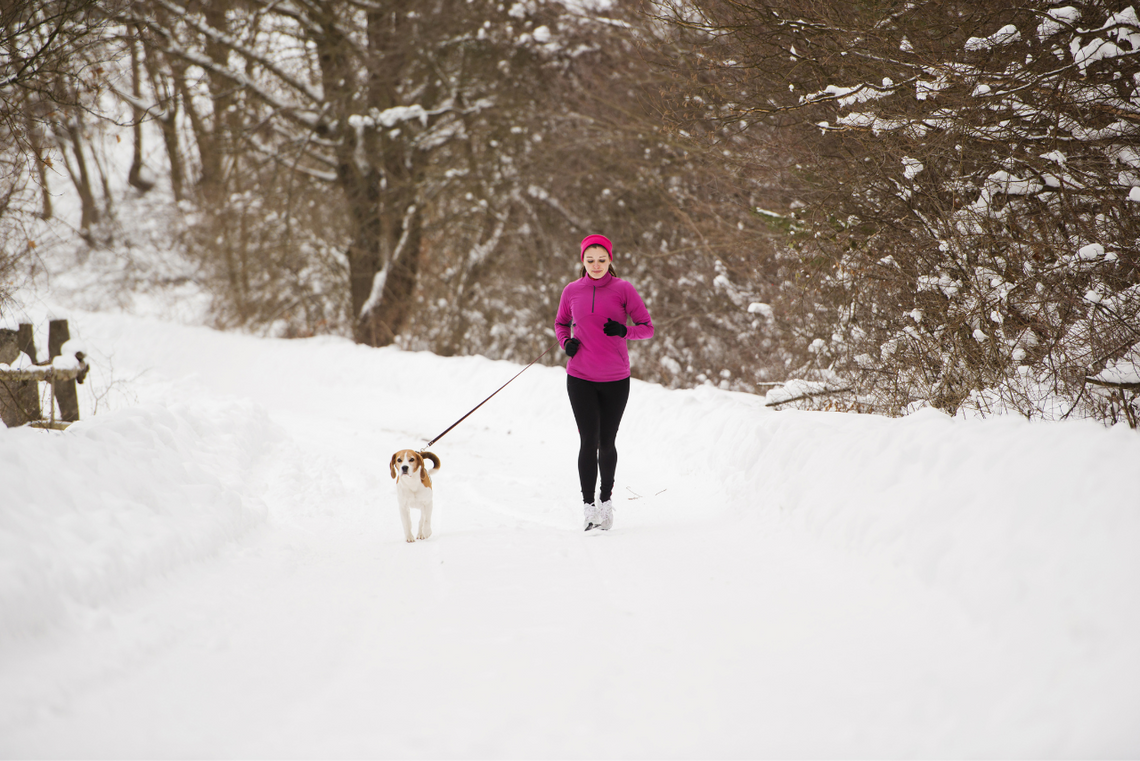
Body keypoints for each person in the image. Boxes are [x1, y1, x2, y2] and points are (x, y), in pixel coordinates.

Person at [554, 233, 654, 531]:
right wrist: (566, 343)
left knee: (606, 442)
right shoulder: (572, 290)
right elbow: (561, 323)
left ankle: (606, 502)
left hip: (615, 379)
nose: (595, 265)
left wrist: (624, 330)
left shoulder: (623, 289)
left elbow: (647, 328)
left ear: (610, 260)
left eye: (601, 260)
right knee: (588, 441)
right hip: (580, 377)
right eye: (590, 260)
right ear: (582, 261)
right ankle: (588, 508)